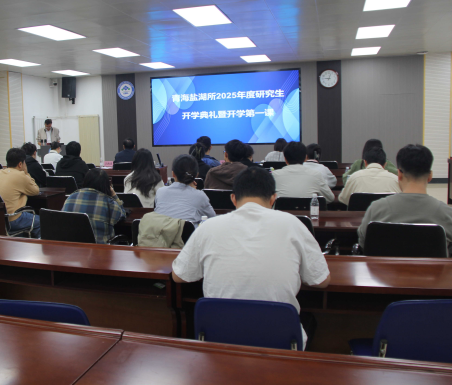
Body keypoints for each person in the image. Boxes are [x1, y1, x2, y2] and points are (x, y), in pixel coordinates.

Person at [171, 166, 330, 349]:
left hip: (220, 339)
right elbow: (322, 281)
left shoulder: (208, 227)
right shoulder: (293, 224)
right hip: (279, 342)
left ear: (233, 198)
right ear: (273, 198)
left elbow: (179, 276)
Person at [358, 144, 452, 250]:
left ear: (399, 174)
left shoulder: (376, 209)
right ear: (430, 176)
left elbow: (363, 243)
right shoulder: (447, 214)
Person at [62, 169, 126, 244]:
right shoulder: (109, 203)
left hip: (72, 247)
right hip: (100, 249)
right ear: (106, 185)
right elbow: (122, 215)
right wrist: (114, 195)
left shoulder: (70, 198)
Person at [0, 148, 41, 238]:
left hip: (1, 219)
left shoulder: (1, 173)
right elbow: (35, 191)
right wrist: (26, 173)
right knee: (42, 221)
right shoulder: (20, 175)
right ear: (20, 164)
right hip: (14, 218)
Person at [155, 154, 215, 226]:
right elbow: (213, 219)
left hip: (161, 232)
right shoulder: (200, 196)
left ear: (173, 174)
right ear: (197, 175)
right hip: (189, 233)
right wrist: (194, 192)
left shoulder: (160, 192)